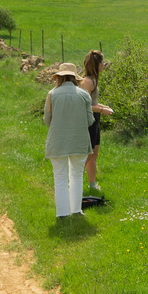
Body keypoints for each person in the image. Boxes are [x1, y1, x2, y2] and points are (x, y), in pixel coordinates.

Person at [43, 63, 94, 218]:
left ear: (59, 77)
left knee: (60, 178)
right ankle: (76, 210)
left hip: (57, 141)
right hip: (79, 141)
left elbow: (47, 120)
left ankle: (63, 214)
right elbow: (90, 120)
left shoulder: (52, 94)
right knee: (77, 175)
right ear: (75, 78)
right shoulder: (84, 94)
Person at [80, 50, 113, 193]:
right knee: (87, 155)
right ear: (96, 64)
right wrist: (101, 110)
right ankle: (75, 183)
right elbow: (84, 106)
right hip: (89, 121)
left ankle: (92, 184)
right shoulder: (87, 82)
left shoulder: (93, 79)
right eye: (102, 62)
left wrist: (103, 106)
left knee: (94, 154)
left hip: (95, 120)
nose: (103, 65)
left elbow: (93, 102)